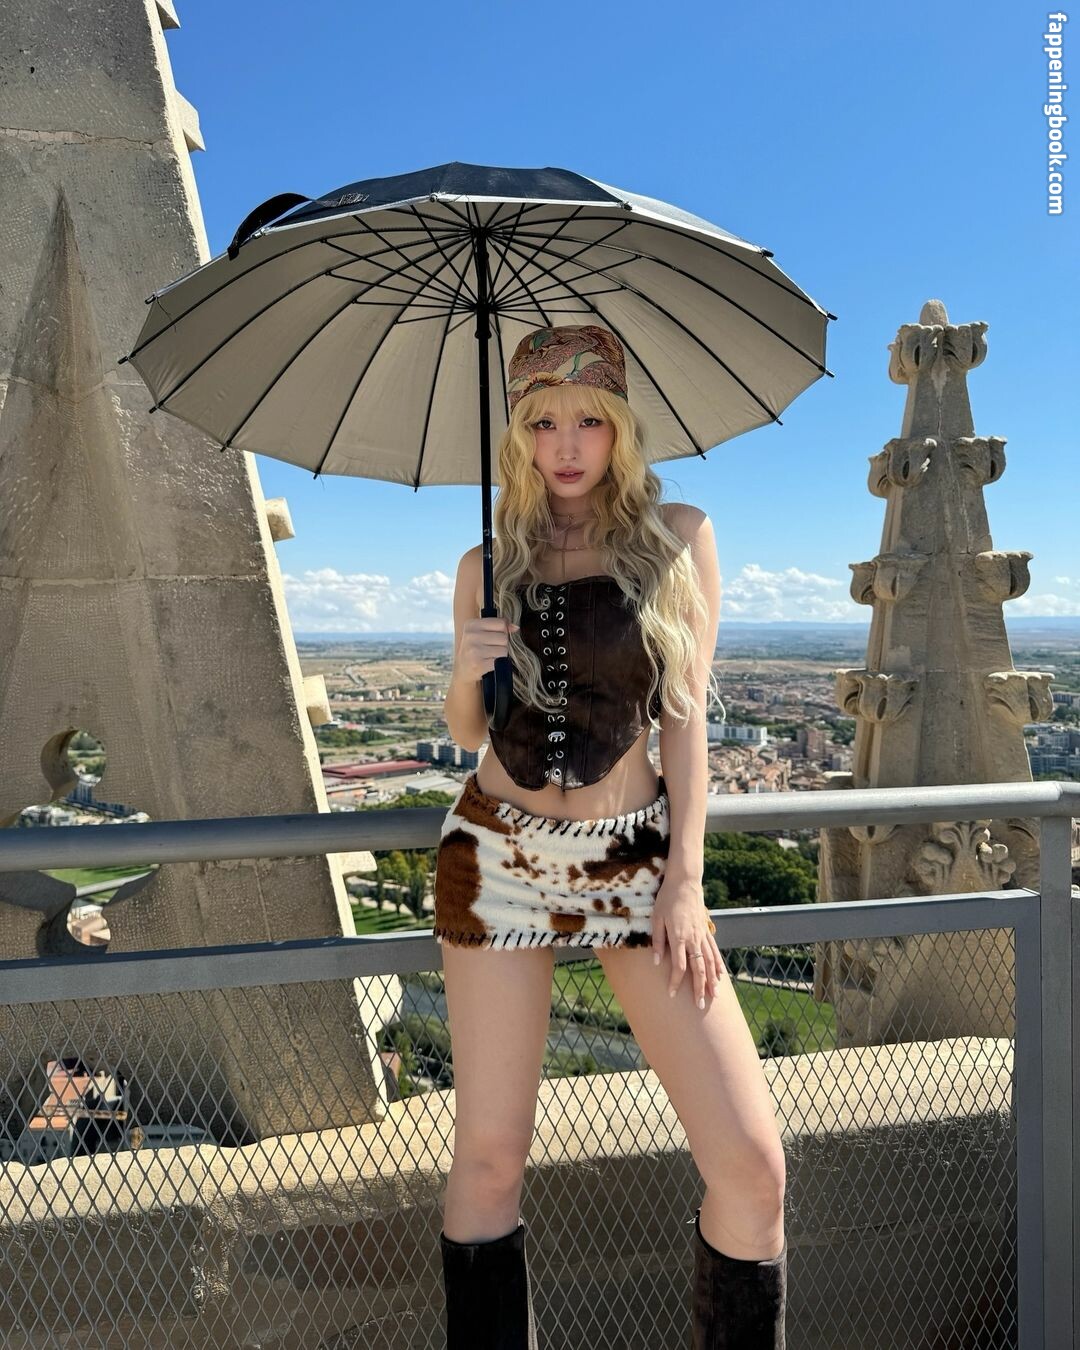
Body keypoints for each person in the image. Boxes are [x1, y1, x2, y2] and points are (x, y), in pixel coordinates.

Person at [434, 324, 787, 1349]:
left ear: (622, 428)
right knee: (489, 1160)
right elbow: (467, 734)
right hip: (494, 853)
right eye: (543, 421)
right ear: (517, 434)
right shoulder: (486, 560)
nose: (566, 443)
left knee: (752, 1166)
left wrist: (686, 881)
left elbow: (687, 718)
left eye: (589, 420)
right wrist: (464, 665)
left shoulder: (677, 536)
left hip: (633, 859)